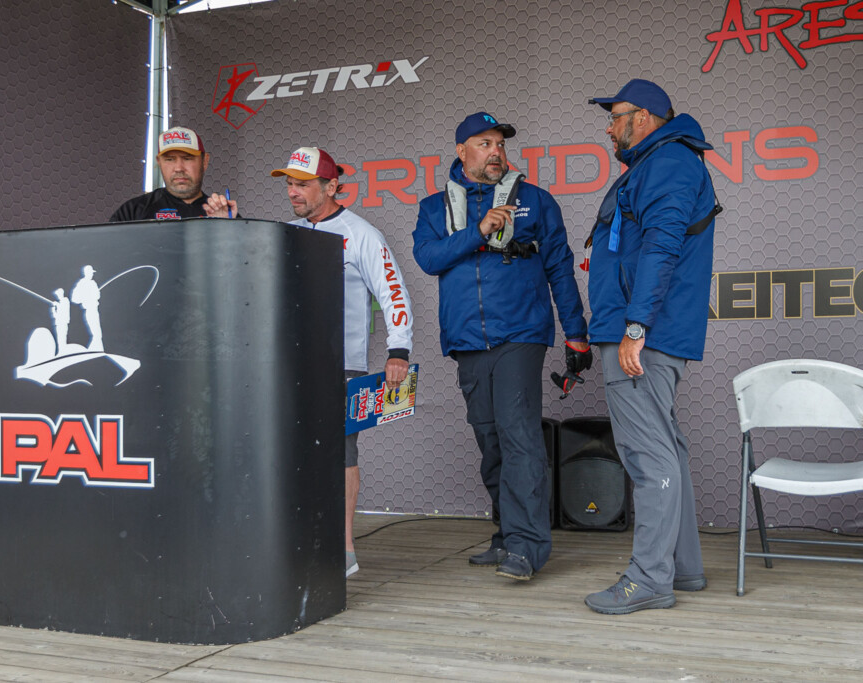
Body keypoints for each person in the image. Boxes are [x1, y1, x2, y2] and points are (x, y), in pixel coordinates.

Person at [413, 112, 590, 582]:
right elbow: (428, 258)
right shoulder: (433, 207)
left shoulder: (535, 200)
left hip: (521, 333)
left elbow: (560, 267)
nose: (496, 151)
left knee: (518, 436)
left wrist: (576, 332)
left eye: (501, 144)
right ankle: (508, 534)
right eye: (485, 143)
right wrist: (477, 231)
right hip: (467, 340)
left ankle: (527, 547)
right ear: (461, 152)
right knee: (489, 440)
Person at [582, 79, 717, 615]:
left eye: (615, 117)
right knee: (665, 449)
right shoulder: (659, 163)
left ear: (642, 118)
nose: (609, 128)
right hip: (645, 331)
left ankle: (649, 579)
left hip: (643, 335)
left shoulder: (667, 162)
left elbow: (662, 246)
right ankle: (682, 568)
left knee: (647, 454)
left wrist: (635, 328)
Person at [271, 146, 414, 578]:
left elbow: (393, 291)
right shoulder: (287, 233)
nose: (293, 192)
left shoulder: (361, 233)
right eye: (289, 184)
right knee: (291, 452)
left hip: (341, 363)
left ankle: (343, 546)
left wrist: (398, 351)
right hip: (290, 364)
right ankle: (299, 541)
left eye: (302, 184)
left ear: (331, 186)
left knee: (340, 454)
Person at [110, 126, 235, 222]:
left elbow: (241, 248)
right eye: (169, 159)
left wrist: (226, 228)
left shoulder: (222, 213)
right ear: (159, 162)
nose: (179, 168)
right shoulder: (133, 212)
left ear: (204, 161)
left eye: (187, 158)